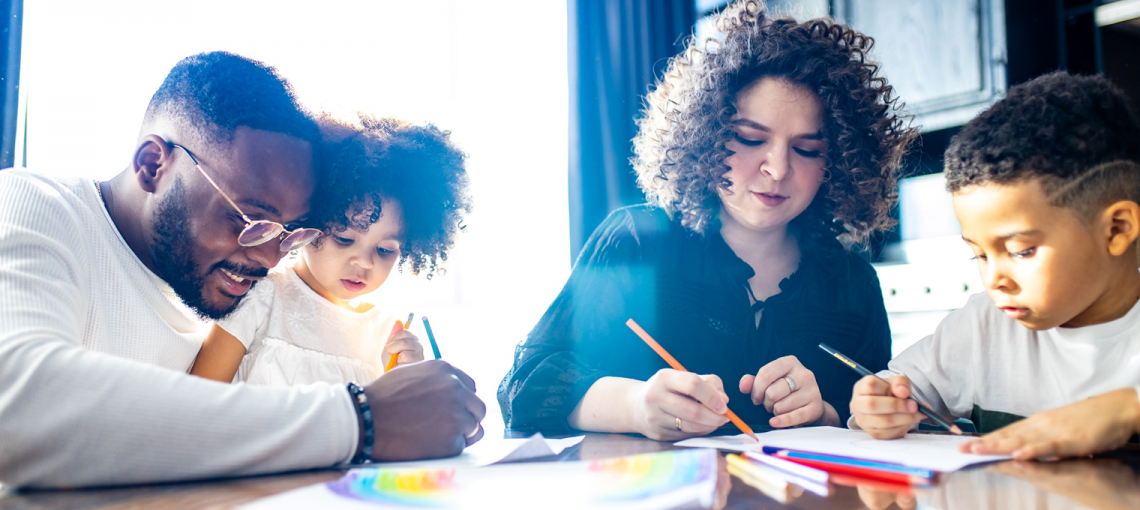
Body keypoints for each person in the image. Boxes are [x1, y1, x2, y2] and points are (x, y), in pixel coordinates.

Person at [0, 52, 484, 489]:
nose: (271, 259)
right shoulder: (31, 204)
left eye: (290, 232)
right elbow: (16, 408)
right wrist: (363, 420)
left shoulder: (210, 288)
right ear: (152, 165)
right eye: (250, 220)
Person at [498, 0, 915, 440]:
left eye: (807, 149)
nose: (777, 168)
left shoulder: (852, 282)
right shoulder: (637, 241)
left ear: (840, 162)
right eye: (751, 139)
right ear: (705, 134)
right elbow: (524, 387)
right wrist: (635, 407)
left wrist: (827, 413)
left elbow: (876, 418)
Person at [849, 71, 1140, 460]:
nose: (994, 280)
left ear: (1116, 229)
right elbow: (895, 388)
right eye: (980, 254)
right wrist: (879, 405)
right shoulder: (983, 326)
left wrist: (1127, 410)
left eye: (1021, 251)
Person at [190, 115, 470, 386]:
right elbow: (196, 402)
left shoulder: (387, 335)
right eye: (344, 239)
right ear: (308, 220)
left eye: (385, 250)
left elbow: (389, 429)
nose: (365, 262)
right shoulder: (260, 297)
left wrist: (406, 380)